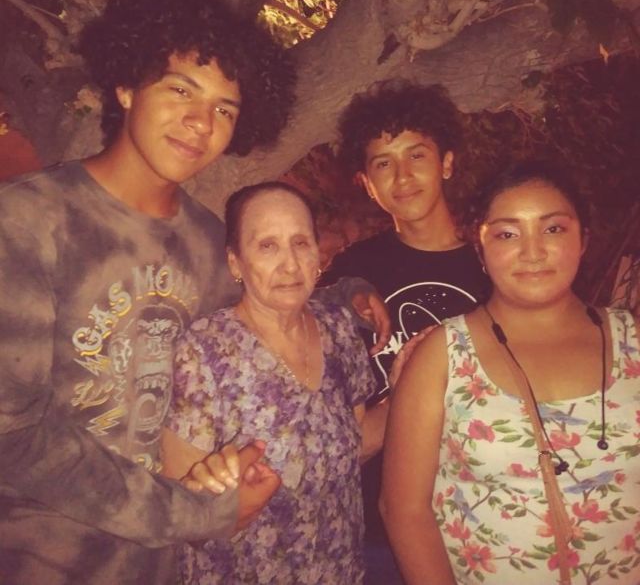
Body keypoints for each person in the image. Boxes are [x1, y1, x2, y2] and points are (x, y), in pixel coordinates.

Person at [0, 0, 385, 585]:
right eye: (181, 89)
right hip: (42, 560)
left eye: (223, 108)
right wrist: (195, 514)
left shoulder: (205, 241)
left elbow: (263, 301)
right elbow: (12, 434)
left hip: (165, 566)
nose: (201, 122)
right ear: (127, 86)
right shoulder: (27, 221)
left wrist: (346, 293)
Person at [381, 160, 640, 585]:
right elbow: (404, 510)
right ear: (480, 250)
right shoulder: (442, 355)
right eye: (507, 234)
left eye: (552, 229)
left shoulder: (633, 339)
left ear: (583, 240)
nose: (532, 252)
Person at [161, 182, 383, 584]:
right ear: (235, 263)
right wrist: (219, 500)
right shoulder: (203, 351)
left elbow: (352, 446)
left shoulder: (339, 330)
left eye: (300, 243)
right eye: (267, 246)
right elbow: (181, 511)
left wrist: (412, 384)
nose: (290, 264)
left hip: (340, 570)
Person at [320, 80, 488, 582]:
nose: (403, 176)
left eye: (417, 155)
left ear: (447, 163)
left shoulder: (496, 263)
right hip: (377, 528)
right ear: (366, 183)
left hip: (484, 510)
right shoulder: (352, 274)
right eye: (383, 163)